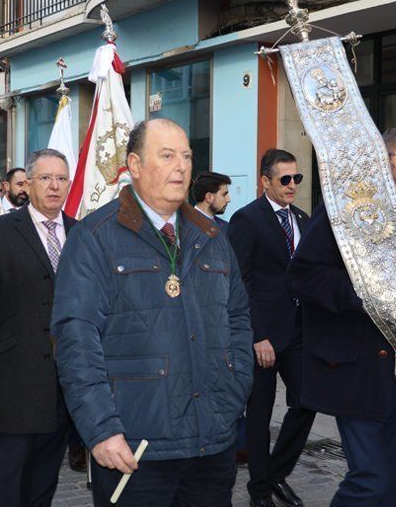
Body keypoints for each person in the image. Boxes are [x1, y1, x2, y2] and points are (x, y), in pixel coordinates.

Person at [52, 118, 254, 506]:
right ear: (134, 165)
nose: (181, 166)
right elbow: (76, 338)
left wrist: (234, 391)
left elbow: (238, 318)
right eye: (166, 156)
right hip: (135, 447)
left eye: (187, 156)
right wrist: (101, 429)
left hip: (211, 440)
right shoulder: (95, 237)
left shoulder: (213, 238)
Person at [287, 128, 396, 506]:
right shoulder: (345, 214)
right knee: (370, 480)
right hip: (354, 370)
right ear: (382, 161)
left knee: (394, 483)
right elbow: (304, 275)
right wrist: (367, 295)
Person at [0, 148, 77, 507]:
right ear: (27, 184)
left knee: (47, 473)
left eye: (61, 178)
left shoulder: (81, 234)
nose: (54, 186)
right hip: (16, 375)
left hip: (64, 378)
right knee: (14, 471)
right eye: (45, 178)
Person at [228, 149, 315, 507]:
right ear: (265, 181)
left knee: (307, 401)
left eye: (297, 178)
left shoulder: (303, 218)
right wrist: (256, 334)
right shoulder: (246, 219)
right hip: (262, 336)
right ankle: (260, 491)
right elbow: (239, 281)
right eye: (285, 179)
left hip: (298, 333)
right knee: (260, 417)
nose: (292, 185)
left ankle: (275, 473)